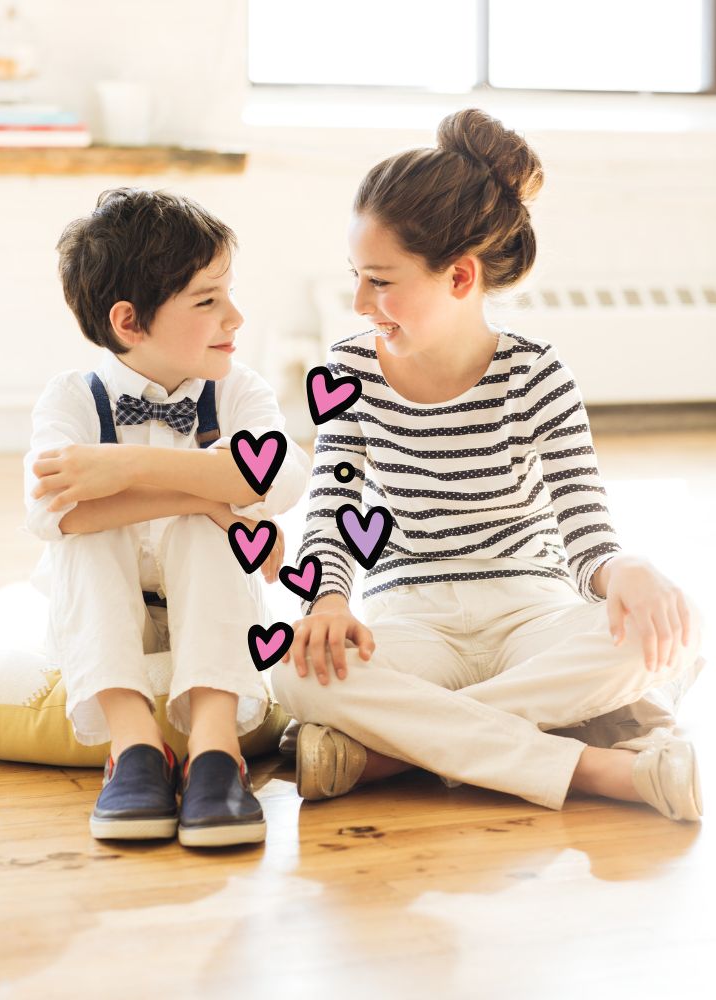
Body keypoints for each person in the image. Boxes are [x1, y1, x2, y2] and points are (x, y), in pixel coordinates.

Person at [271, 109, 705, 822]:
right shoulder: (347, 367)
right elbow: (333, 508)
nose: (357, 303)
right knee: (289, 669)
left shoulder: (537, 374)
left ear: (460, 276)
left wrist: (625, 569)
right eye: (356, 276)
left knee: (668, 641)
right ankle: (599, 771)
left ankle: (392, 753)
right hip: (414, 617)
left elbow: (585, 528)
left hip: (531, 609)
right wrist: (328, 600)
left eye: (380, 280)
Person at [25, 188, 310, 846]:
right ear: (130, 323)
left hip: (211, 612)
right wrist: (213, 500)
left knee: (198, 533)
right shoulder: (72, 399)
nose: (234, 316)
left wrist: (125, 470)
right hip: (103, 614)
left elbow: (279, 477)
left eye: (228, 292)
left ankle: (216, 751)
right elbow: (54, 515)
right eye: (208, 301)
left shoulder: (239, 391)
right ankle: (134, 747)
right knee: (87, 536)